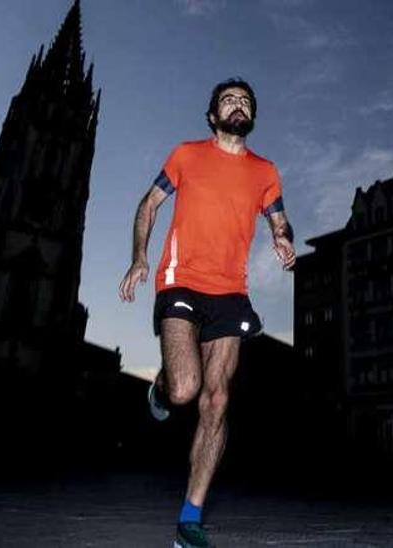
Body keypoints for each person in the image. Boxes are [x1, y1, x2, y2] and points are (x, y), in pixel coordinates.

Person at [118, 78, 295, 548]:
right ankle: (159, 385)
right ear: (212, 115)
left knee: (216, 400)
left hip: (231, 293)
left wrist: (282, 236)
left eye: (245, 101)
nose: (237, 105)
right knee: (185, 389)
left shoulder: (265, 171)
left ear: (252, 115)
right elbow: (150, 203)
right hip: (180, 280)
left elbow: (278, 216)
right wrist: (139, 255)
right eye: (228, 100)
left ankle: (190, 518)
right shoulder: (186, 155)